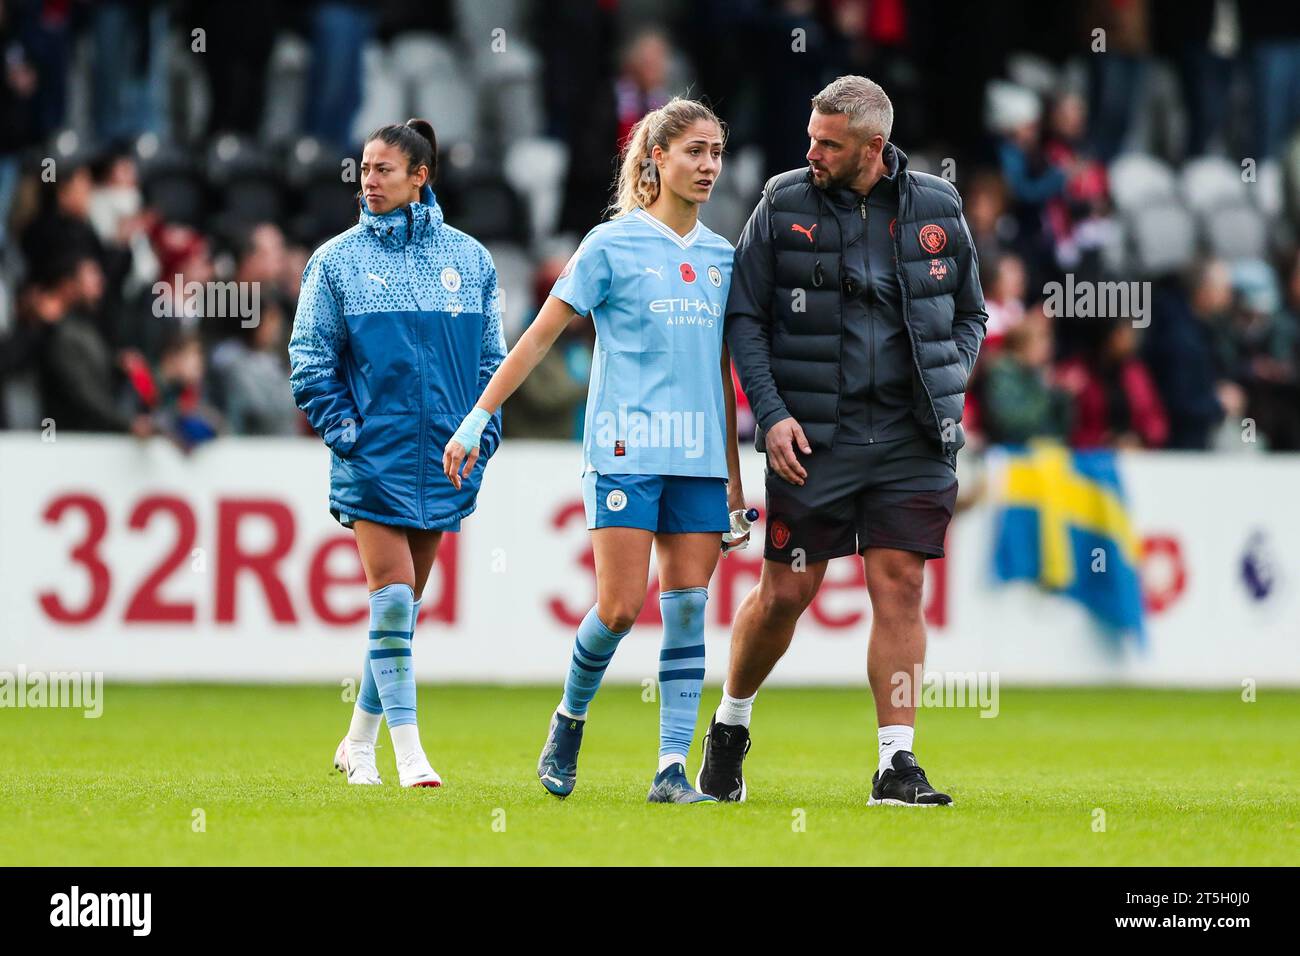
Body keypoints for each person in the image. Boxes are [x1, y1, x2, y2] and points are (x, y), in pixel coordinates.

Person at [444, 97, 749, 804]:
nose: (708, 166)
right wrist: (476, 417)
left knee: (687, 607)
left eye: (715, 153)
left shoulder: (722, 257)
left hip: (699, 459)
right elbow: (539, 338)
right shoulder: (610, 246)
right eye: (694, 152)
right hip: (625, 448)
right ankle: (569, 717)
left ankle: (672, 770)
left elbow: (721, 374)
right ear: (657, 160)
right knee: (618, 606)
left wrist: (734, 482)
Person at [703, 75, 988, 806]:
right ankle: (730, 727)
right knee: (786, 593)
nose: (812, 152)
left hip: (912, 434)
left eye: (827, 143)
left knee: (901, 585)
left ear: (874, 148)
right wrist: (770, 416)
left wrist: (949, 376)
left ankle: (897, 764)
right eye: (811, 137)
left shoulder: (938, 205)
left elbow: (971, 313)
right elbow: (744, 320)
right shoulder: (782, 201)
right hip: (814, 436)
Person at [289, 118, 505, 788]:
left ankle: (357, 741)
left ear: (421, 176)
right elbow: (308, 363)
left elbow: (493, 365)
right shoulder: (336, 262)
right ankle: (409, 756)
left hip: (445, 464)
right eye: (362, 167)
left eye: (383, 169)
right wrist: (350, 436)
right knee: (393, 601)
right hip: (372, 461)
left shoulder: (471, 261)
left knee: (402, 616)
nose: (368, 180)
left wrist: (483, 436)